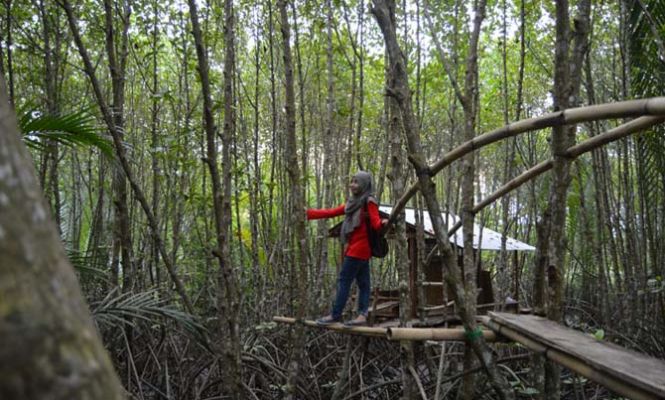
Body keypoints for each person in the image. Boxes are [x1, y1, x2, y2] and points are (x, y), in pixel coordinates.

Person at [307, 171, 388, 326]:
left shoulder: (369, 201)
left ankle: (335, 314)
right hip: (356, 250)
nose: (352, 185)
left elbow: (376, 223)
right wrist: (308, 213)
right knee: (364, 284)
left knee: (344, 281)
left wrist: (384, 222)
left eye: (356, 182)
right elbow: (331, 212)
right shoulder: (353, 203)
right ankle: (362, 315)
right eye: (352, 181)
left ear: (364, 184)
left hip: (359, 250)